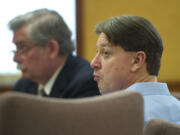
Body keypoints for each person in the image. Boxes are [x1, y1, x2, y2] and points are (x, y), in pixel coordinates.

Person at [91, 15, 180, 124]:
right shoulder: (176, 107)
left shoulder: (117, 120)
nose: (93, 63)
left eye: (106, 53)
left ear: (137, 61)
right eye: (97, 52)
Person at [8, 8, 100, 98]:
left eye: (22, 48)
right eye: (16, 49)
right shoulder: (23, 87)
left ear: (52, 49)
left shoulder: (85, 84)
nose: (15, 59)